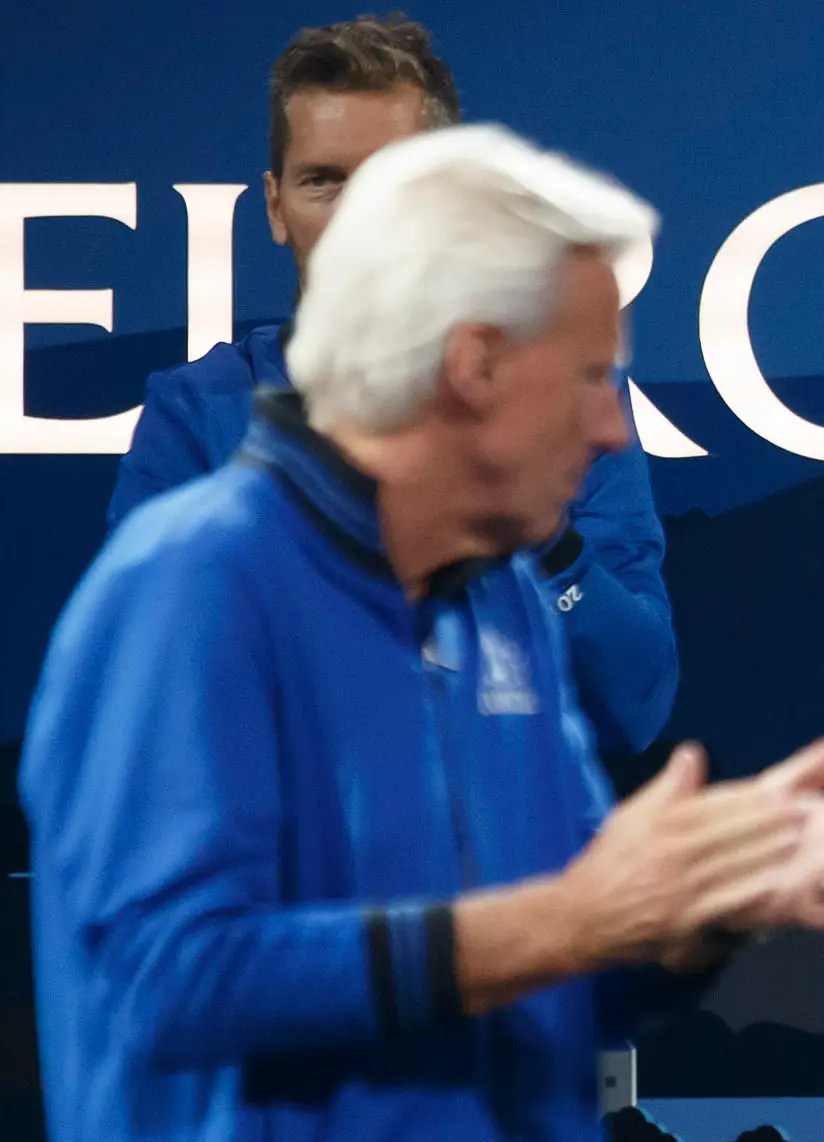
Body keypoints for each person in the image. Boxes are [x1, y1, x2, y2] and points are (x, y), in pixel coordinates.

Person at [22, 124, 824, 1142]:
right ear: (474, 368)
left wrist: (689, 915)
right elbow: (167, 981)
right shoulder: (193, 586)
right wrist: (568, 918)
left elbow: (564, 953)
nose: (617, 423)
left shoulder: (502, 605)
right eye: (595, 379)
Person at [108, 12, 677, 755]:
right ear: (276, 207)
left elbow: (632, 707)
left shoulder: (560, 398)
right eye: (323, 182)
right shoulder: (196, 413)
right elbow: (150, 697)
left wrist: (540, 533)